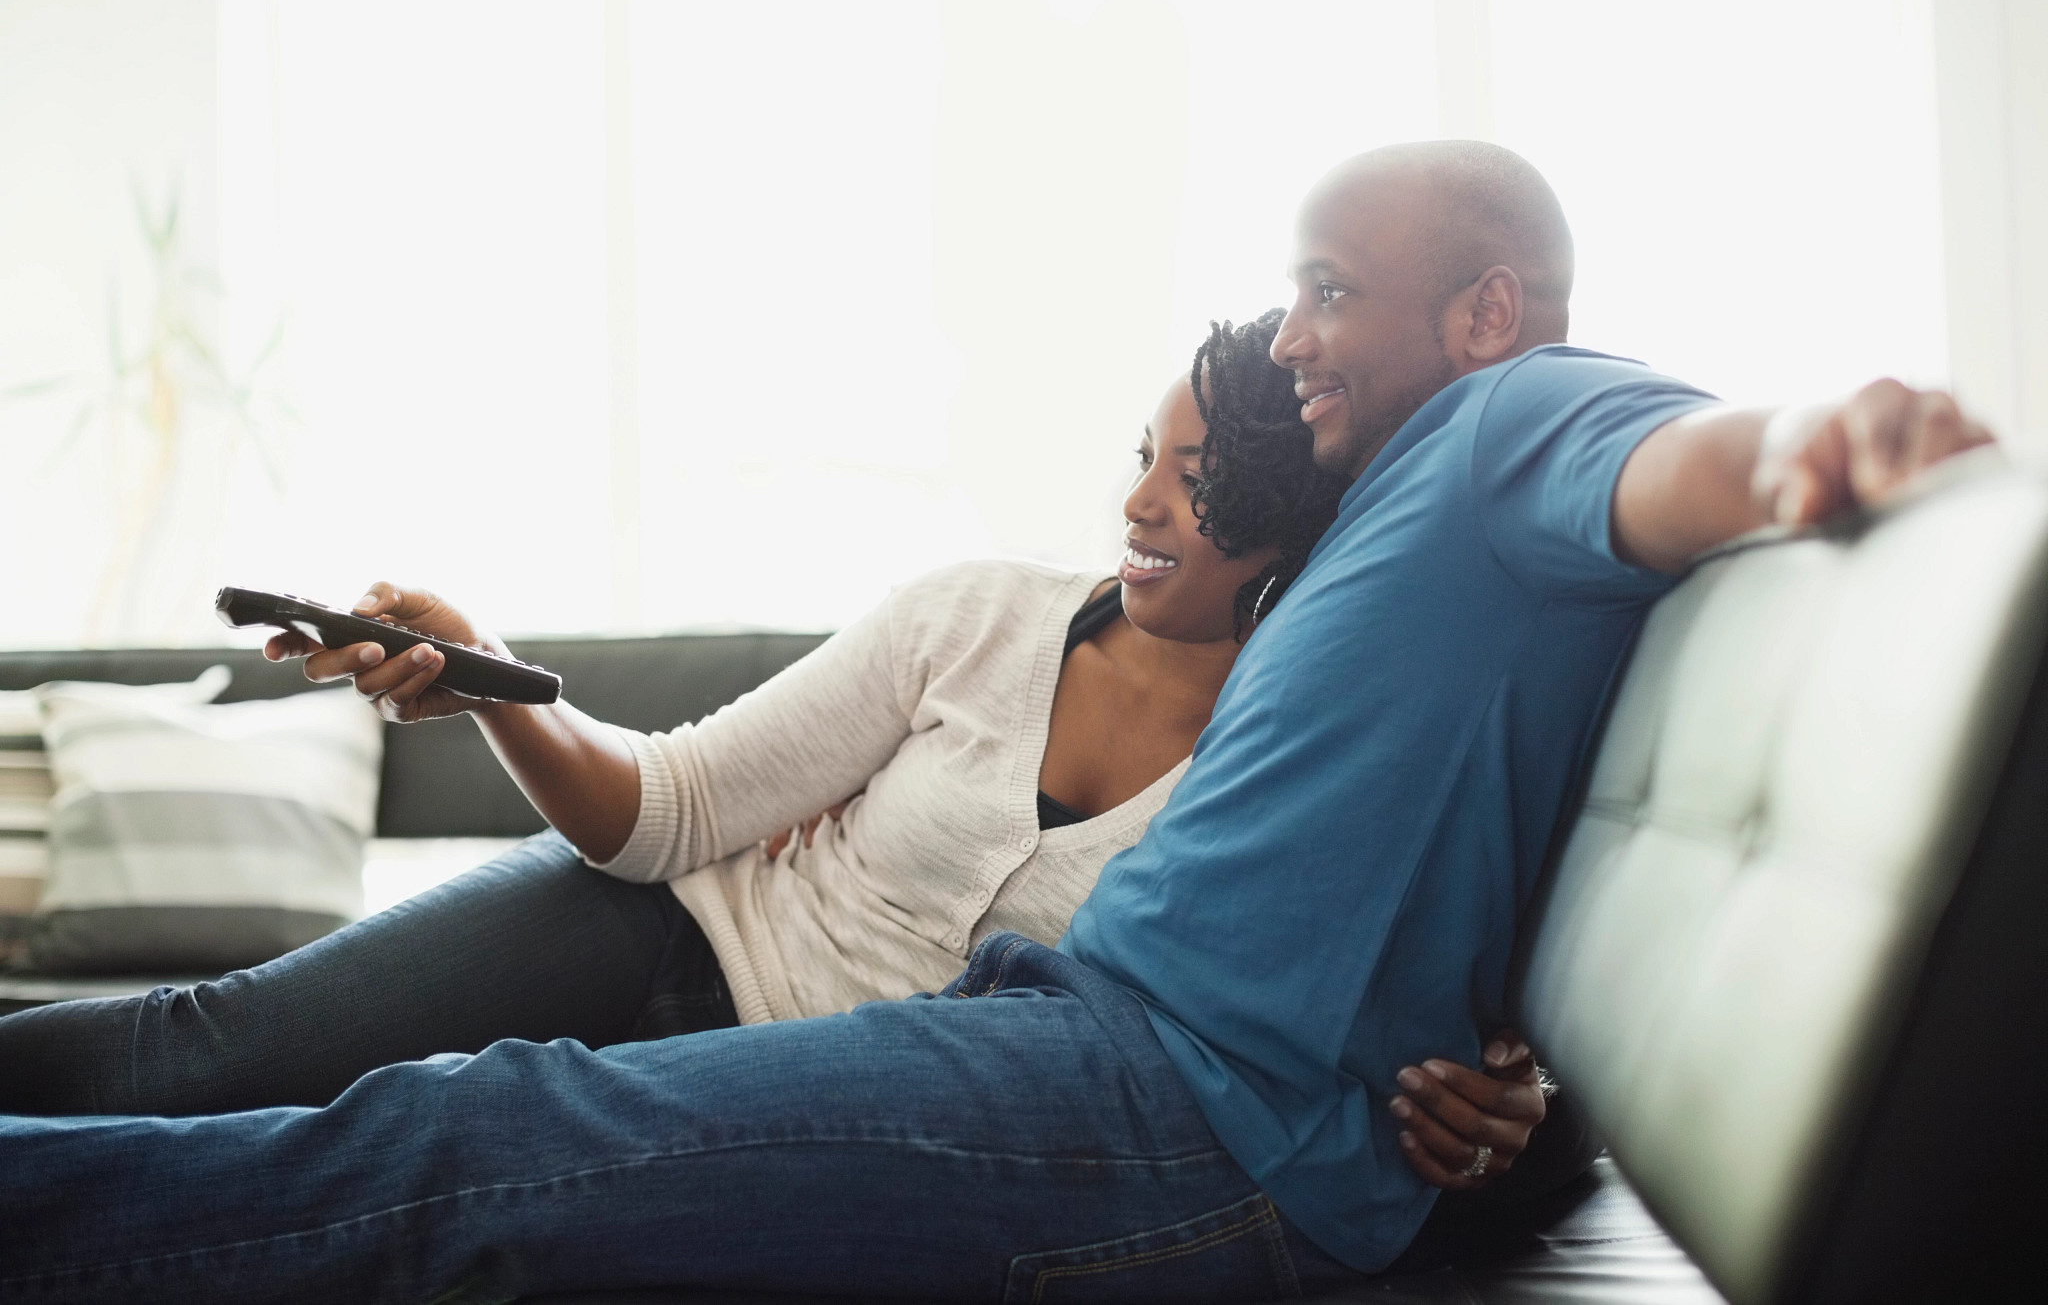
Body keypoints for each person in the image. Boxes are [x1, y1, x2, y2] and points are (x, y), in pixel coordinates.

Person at [0, 141, 1990, 1305]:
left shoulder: (1517, 417)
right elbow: (1474, 847)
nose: (1294, 333)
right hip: (1070, 1023)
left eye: (1327, 289)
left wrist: (1825, 440)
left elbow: (1675, 455)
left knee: (482, 1136)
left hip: (1174, 1099)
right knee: (387, 1088)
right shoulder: (1393, 552)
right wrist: (1505, 1070)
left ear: (1480, 314)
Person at [0, 311, 1550, 1182]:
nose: (1139, 502)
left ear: (1294, 514)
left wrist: (1517, 1100)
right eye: (1144, 456)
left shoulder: (1297, 776)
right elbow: (671, 805)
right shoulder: (978, 616)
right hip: (661, 920)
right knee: (217, 1046)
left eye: (1197, 479)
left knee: (382, 1160)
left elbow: (1416, 1014)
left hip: (800, 1113)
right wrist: (494, 689)